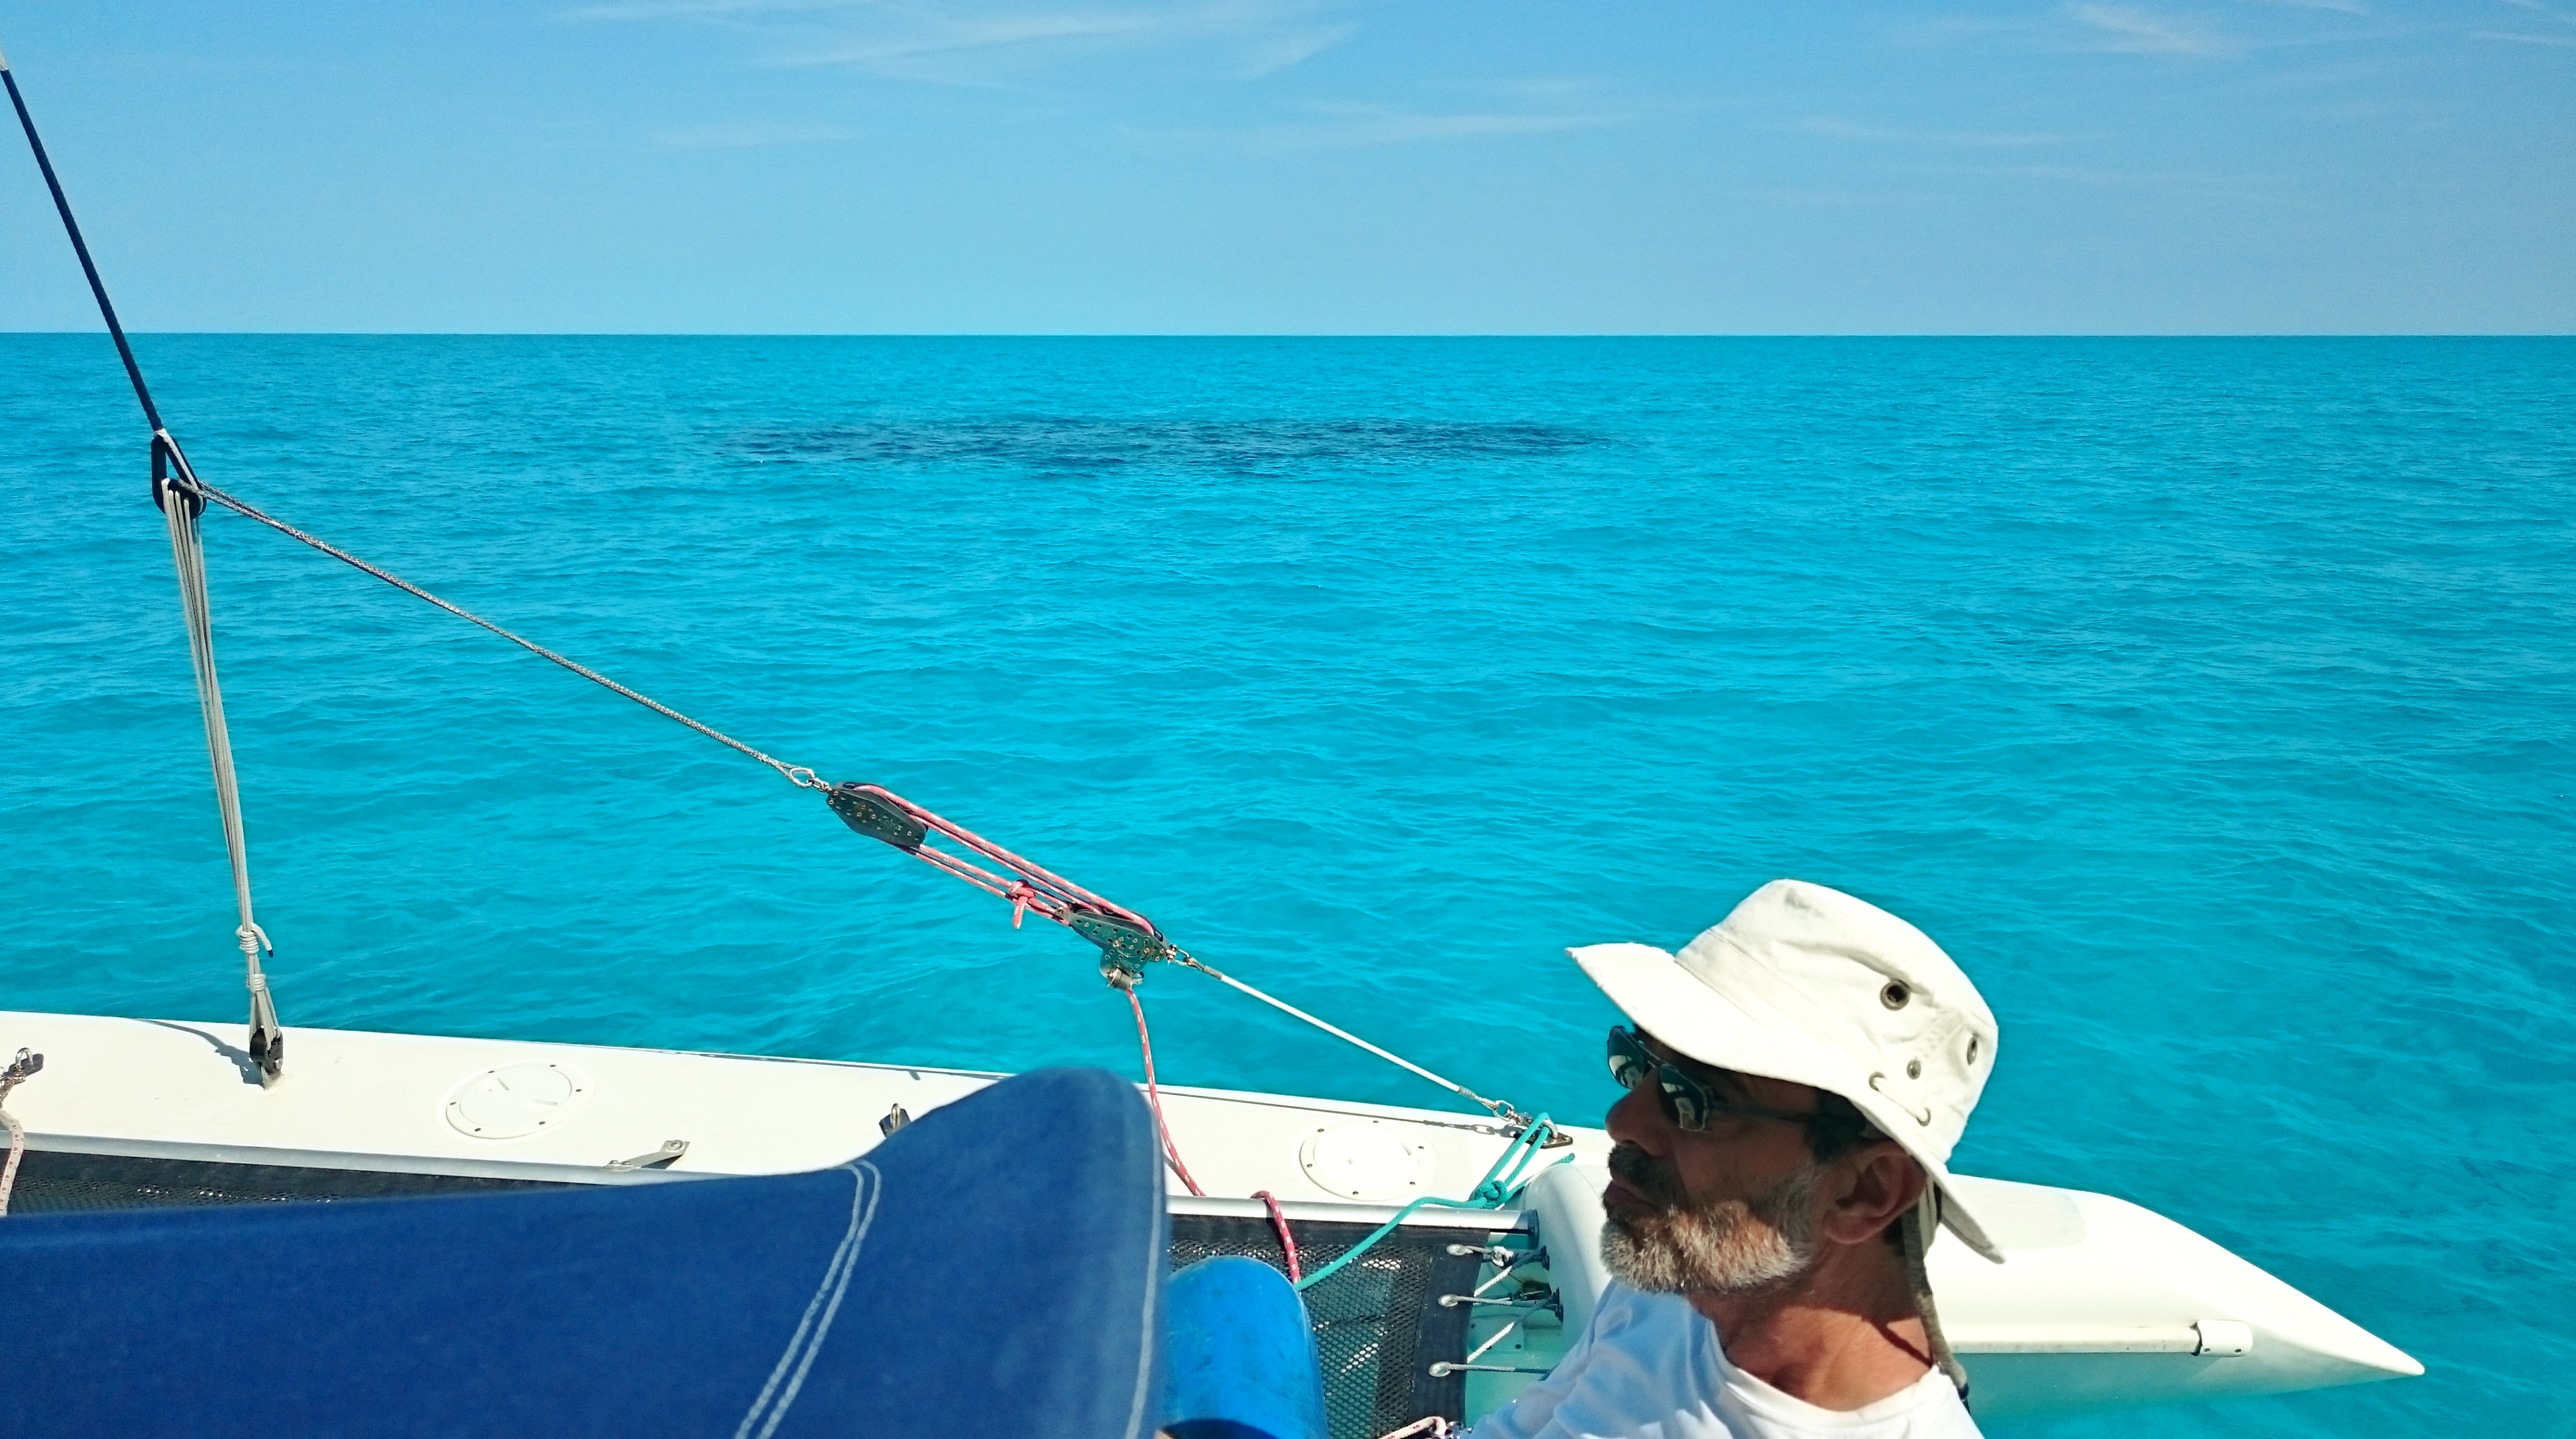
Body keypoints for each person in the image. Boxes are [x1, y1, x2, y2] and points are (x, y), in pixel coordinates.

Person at [1466, 879, 2006, 1439]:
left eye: (1694, 1101)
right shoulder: (1677, 1280)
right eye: (1637, 1062)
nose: (1622, 1122)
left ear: (1864, 1192)